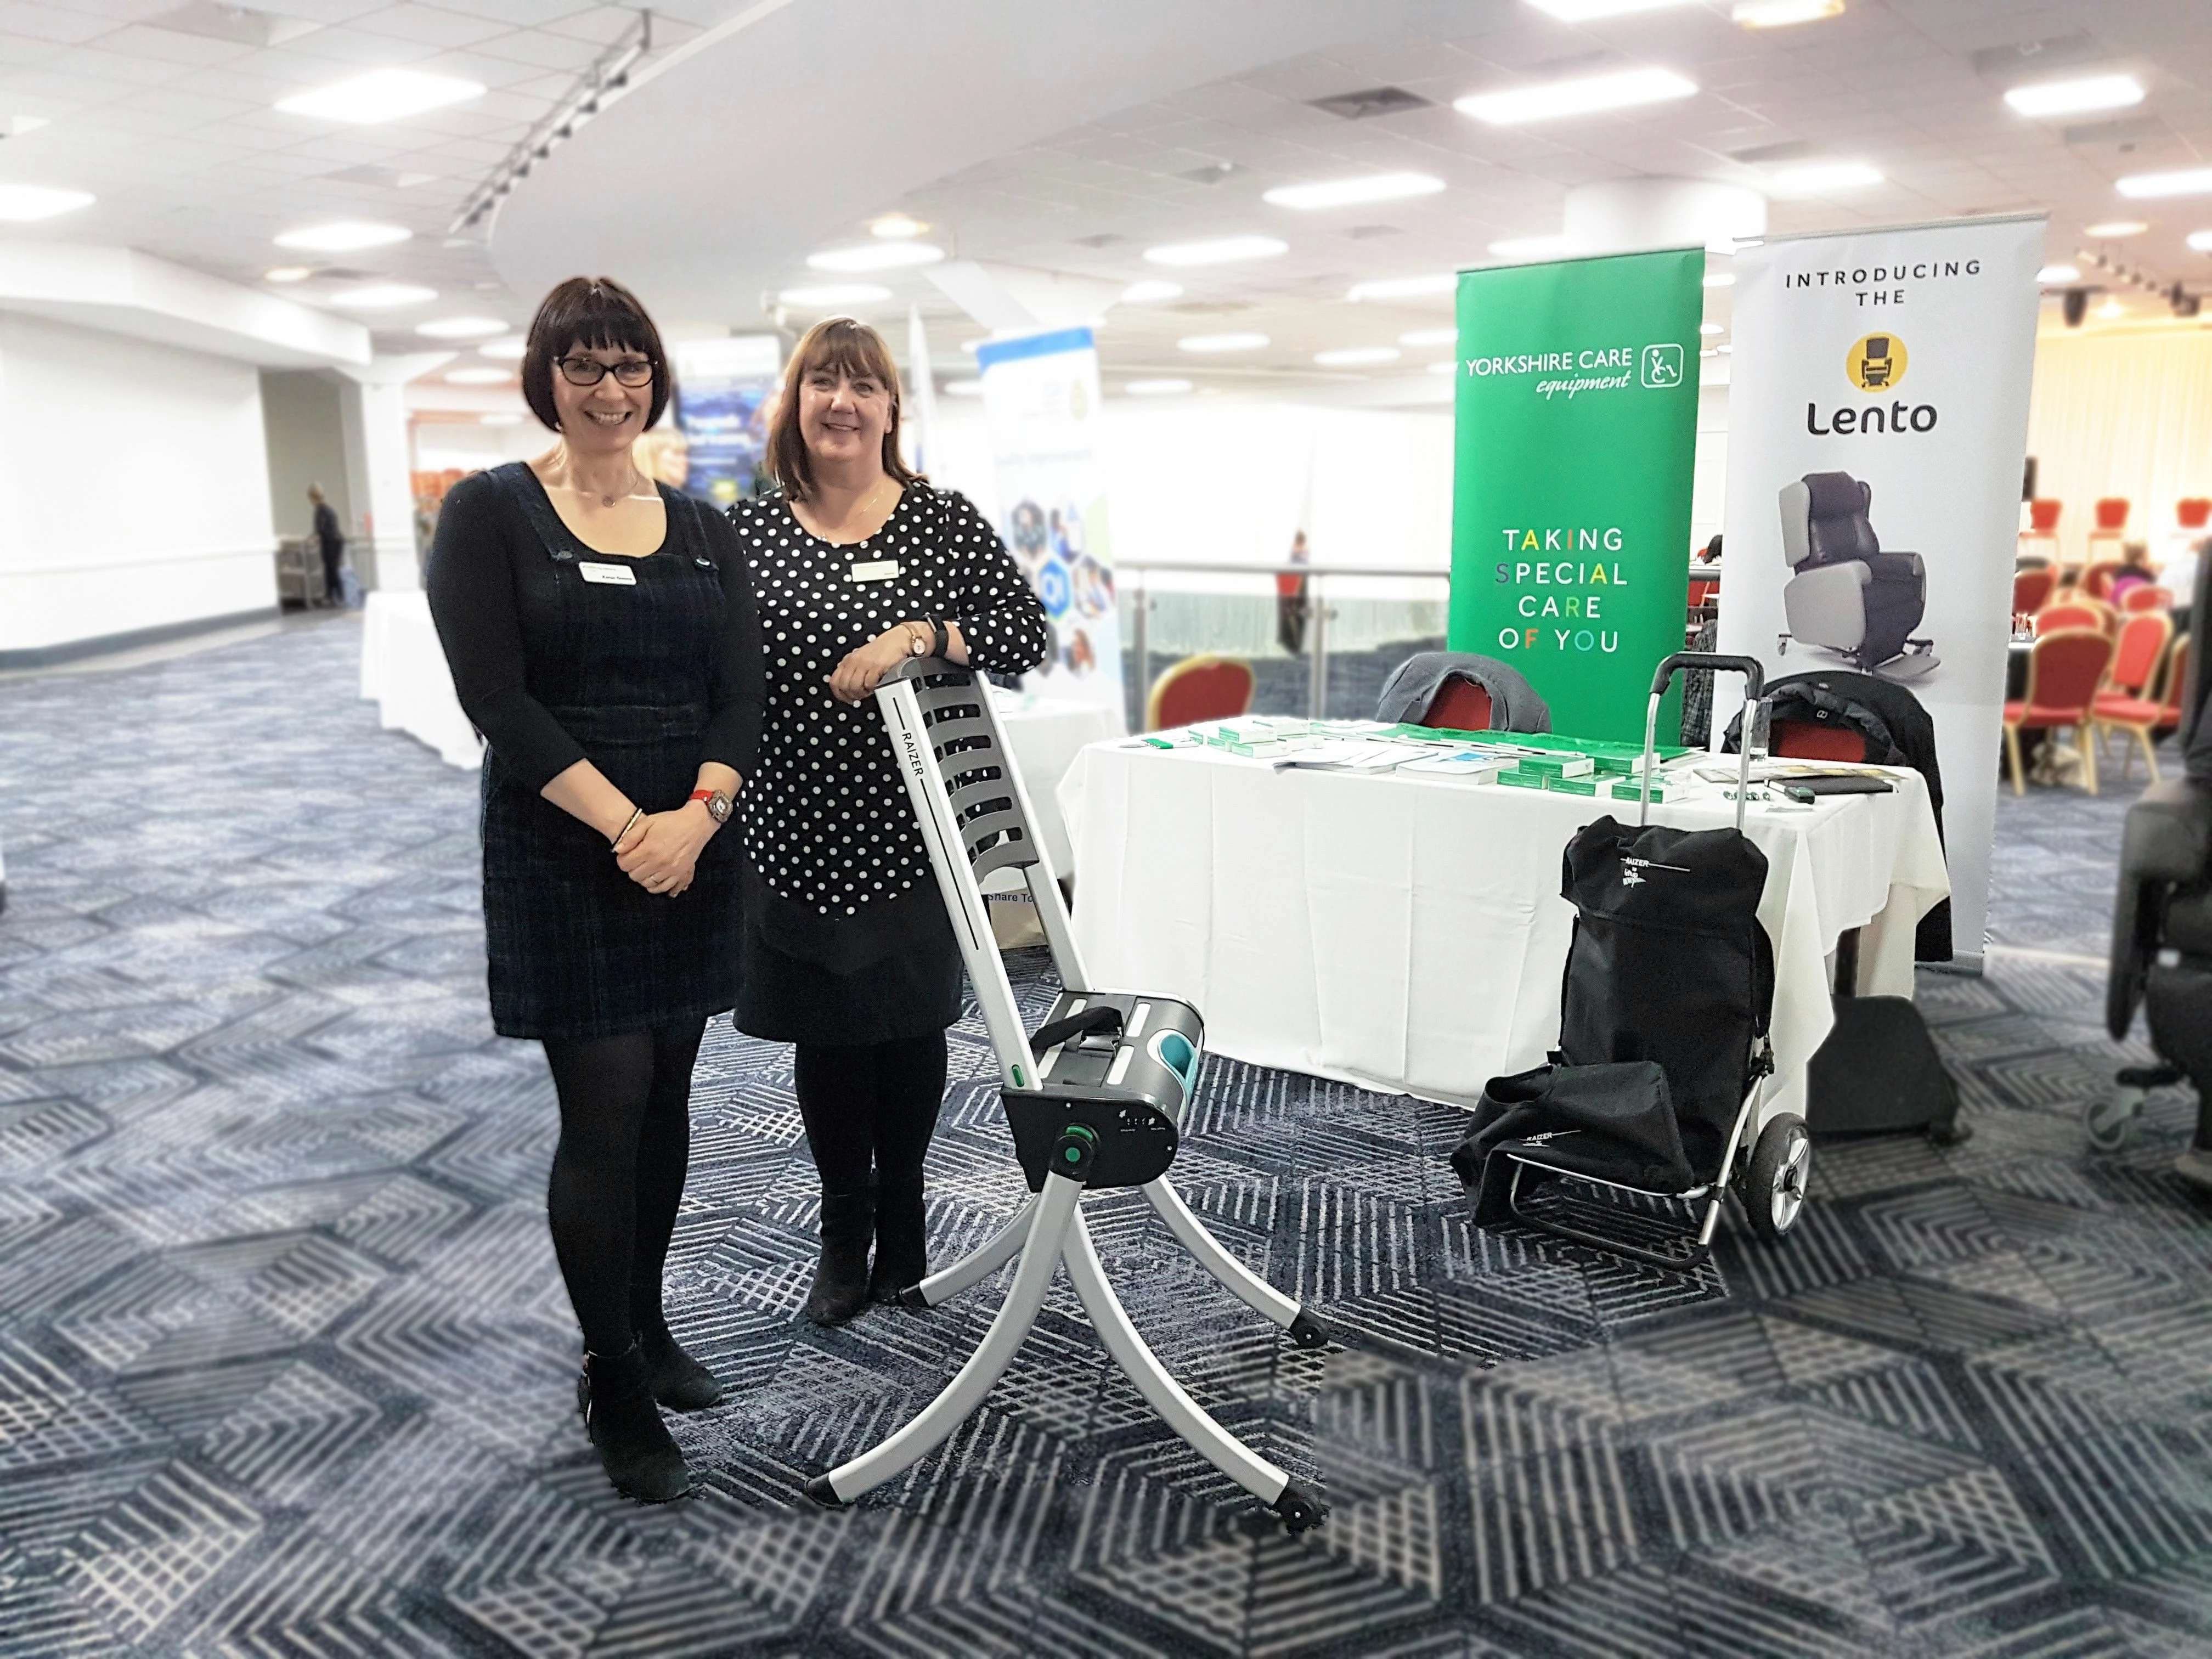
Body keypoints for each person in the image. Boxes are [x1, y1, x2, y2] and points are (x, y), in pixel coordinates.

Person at [426, 277, 764, 1504]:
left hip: (690, 842)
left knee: (669, 1090)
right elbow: (497, 702)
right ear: (547, 381)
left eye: (631, 368)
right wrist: (632, 827)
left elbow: (741, 697)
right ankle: (610, 1369)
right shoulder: (490, 515)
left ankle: (651, 1319)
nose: (611, 391)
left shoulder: (706, 524)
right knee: (607, 1104)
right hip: (568, 848)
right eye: (586, 370)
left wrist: (697, 818)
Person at [725, 318, 1048, 1328]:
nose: (841, 402)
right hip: (792, 831)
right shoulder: (749, 531)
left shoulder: (941, 521)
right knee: (825, 1039)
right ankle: (841, 1229)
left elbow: (1023, 634)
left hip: (915, 833)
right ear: (796, 403)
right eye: (822, 381)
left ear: (891, 408)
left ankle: (903, 1224)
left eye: (863, 385)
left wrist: (920, 633)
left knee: (908, 1031)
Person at [308, 484, 346, 606]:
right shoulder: (322, 511)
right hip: (330, 542)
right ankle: (333, 595)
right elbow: (320, 530)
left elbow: (323, 530)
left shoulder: (324, 512)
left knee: (332, 569)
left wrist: (315, 537)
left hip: (333, 543)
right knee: (330, 569)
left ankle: (338, 595)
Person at [1277, 529, 1310, 657]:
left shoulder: (1297, 552)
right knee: (1296, 615)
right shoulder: (1304, 552)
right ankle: (1297, 643)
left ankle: (1295, 644)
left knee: (1292, 614)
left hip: (1295, 584)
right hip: (1297, 584)